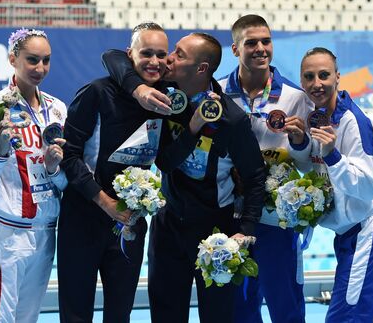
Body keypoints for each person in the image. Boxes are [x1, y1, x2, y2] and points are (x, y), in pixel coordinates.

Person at [102, 32, 266, 323]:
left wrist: (246, 228)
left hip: (216, 230)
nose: (168, 59)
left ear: (201, 69)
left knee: (216, 316)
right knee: (165, 314)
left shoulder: (231, 119)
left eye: (178, 54)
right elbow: (113, 57)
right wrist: (139, 90)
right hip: (168, 228)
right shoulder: (164, 96)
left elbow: (254, 176)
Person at [57, 22, 169, 323]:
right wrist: (103, 201)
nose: (154, 62)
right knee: (76, 312)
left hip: (130, 222)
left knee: (120, 313)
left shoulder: (167, 100)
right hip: (83, 218)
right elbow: (69, 156)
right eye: (146, 53)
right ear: (129, 54)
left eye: (161, 55)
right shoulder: (96, 93)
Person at [218, 14, 314, 323]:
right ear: (235, 49)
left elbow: (306, 161)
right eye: (251, 43)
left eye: (266, 41)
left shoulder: (295, 98)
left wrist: (300, 141)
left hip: (276, 221)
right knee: (239, 308)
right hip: (233, 217)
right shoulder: (217, 95)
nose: (260, 48)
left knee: (285, 305)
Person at [295, 47, 373, 322]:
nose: (317, 83)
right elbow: (315, 169)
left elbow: (368, 186)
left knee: (345, 315)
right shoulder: (315, 118)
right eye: (309, 76)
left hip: (365, 232)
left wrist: (333, 155)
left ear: (338, 77)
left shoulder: (354, 122)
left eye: (324, 75)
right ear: (302, 81)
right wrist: (300, 144)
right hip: (346, 235)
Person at [0, 29, 67, 322]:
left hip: (46, 230)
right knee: (0, 316)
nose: (40, 69)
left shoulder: (57, 109)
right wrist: (0, 151)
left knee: (29, 316)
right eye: (32, 60)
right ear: (12, 59)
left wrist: (54, 168)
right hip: (9, 232)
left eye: (46, 61)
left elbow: (65, 183)